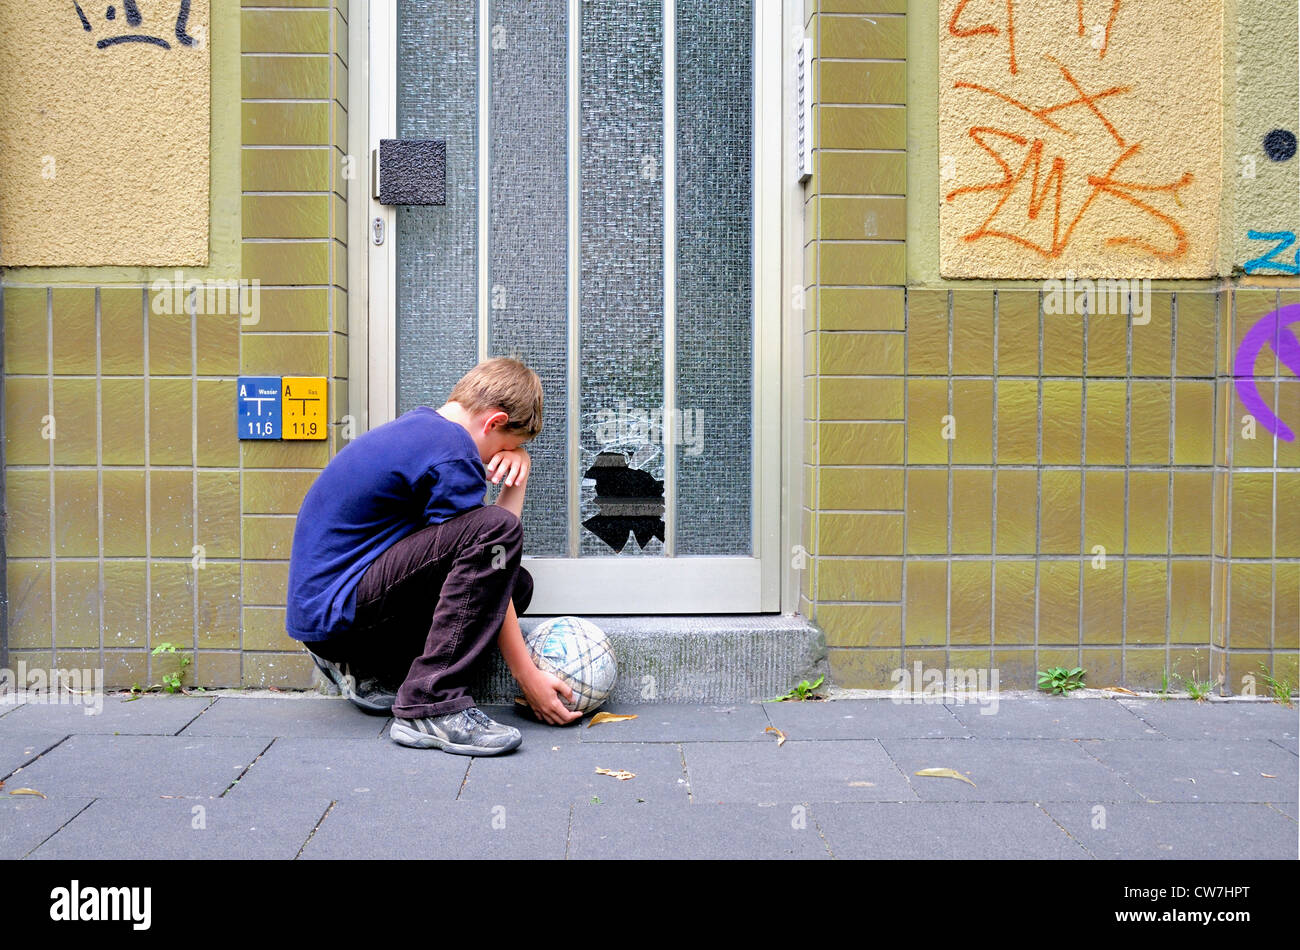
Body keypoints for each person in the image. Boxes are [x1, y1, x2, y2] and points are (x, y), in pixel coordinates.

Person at [284, 356, 583, 756]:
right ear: (493, 422)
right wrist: (526, 674)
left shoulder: (424, 429)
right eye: (506, 447)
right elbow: (494, 539)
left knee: (514, 584)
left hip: (334, 621)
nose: (498, 459)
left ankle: (371, 671)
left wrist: (518, 476)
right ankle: (430, 704)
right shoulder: (453, 451)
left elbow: (495, 560)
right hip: (342, 621)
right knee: (496, 536)